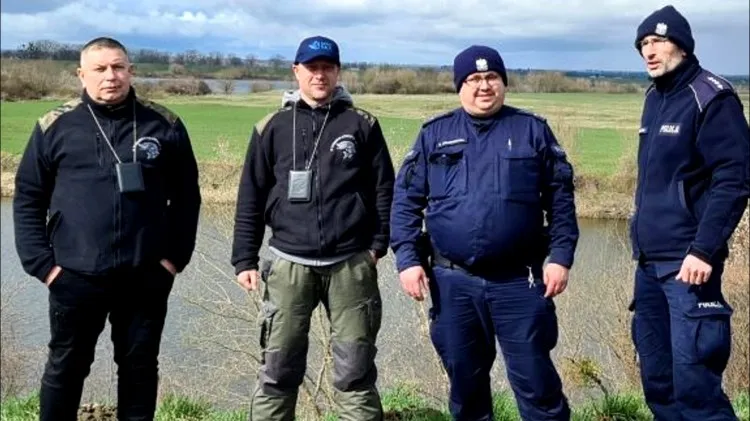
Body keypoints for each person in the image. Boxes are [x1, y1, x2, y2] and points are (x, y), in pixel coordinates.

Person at [12, 36, 201, 421]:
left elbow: (187, 199)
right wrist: (44, 267)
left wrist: (172, 260)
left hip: (145, 274)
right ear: (81, 74)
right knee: (66, 368)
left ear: (131, 71)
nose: (110, 76)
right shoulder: (55, 126)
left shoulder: (163, 124)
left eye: (118, 67)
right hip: (74, 275)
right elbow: (28, 197)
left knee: (139, 369)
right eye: (99, 69)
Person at [390, 45, 579, 421]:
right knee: (466, 387)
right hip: (453, 282)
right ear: (459, 86)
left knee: (538, 385)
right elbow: (405, 202)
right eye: (473, 79)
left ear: (503, 83)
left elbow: (561, 201)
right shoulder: (434, 134)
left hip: (520, 282)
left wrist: (560, 257)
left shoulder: (532, 131)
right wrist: (408, 261)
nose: (484, 86)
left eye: (492, 77)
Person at [230, 35, 395, 421]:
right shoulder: (270, 126)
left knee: (355, 371)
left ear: (338, 72)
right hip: (288, 264)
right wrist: (244, 259)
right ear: (296, 71)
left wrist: (377, 245)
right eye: (312, 68)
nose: (319, 75)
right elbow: (250, 194)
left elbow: (385, 188)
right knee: (278, 370)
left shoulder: (362, 124)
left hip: (350, 263)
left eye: (327, 68)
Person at [629, 5, 749, 420]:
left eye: (658, 41)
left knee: (696, 390)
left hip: (688, 267)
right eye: (643, 43)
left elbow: (734, 181)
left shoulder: (711, 96)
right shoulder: (655, 98)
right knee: (659, 385)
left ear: (682, 44)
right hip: (648, 267)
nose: (649, 50)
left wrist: (703, 249)